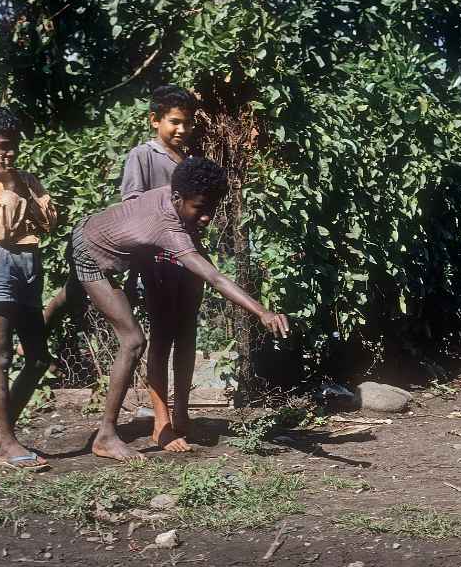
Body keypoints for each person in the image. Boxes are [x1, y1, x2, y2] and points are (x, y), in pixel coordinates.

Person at [45, 157, 289, 462]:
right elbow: (213, 276)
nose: (206, 218)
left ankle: (39, 327)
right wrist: (262, 312)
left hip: (91, 230)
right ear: (177, 198)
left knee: (73, 294)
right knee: (134, 341)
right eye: (200, 208)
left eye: (212, 209)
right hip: (90, 254)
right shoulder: (168, 228)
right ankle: (105, 436)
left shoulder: (172, 194)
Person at [0, 106, 58, 471]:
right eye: (1, 146)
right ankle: (8, 443)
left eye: (14, 145)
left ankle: (1, 437)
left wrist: (20, 190)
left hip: (29, 264)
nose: (9, 153)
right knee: (0, 356)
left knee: (37, 358)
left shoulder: (27, 178)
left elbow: (48, 221)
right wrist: (11, 190)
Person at [119, 85, 202, 453]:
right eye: (174, 122)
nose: (181, 129)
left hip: (189, 259)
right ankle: (160, 421)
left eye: (187, 123)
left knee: (187, 337)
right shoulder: (142, 156)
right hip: (157, 260)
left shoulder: (189, 161)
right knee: (162, 338)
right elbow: (132, 205)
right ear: (155, 120)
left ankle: (183, 412)